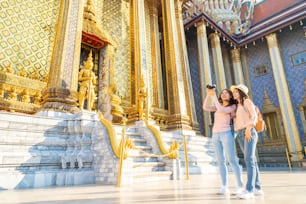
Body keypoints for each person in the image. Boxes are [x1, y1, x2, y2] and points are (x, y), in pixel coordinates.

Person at [203, 87, 243, 196]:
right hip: (215, 135)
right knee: (221, 161)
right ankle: (224, 186)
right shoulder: (218, 105)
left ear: (230, 96)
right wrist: (209, 94)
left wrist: (214, 96)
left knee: (232, 160)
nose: (224, 94)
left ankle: (240, 186)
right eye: (222, 93)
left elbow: (221, 110)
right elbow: (205, 107)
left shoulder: (232, 106)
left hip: (226, 134)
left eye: (226, 93)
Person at [230, 84, 264, 199]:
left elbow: (254, 116)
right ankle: (257, 187)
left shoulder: (247, 102)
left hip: (248, 131)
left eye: (236, 91)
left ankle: (249, 190)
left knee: (249, 159)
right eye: (233, 92)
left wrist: (249, 128)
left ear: (241, 92)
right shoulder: (238, 105)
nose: (234, 93)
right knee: (252, 160)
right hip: (240, 133)